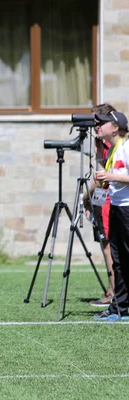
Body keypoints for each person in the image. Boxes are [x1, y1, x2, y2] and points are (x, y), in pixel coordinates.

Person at [92, 110, 129, 321]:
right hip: (116, 207)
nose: (98, 127)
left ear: (115, 128)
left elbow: (116, 176)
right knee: (119, 260)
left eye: (102, 123)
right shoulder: (113, 149)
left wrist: (111, 175)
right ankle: (119, 308)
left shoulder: (126, 146)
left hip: (127, 208)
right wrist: (100, 159)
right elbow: (107, 180)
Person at [84, 103, 117, 307]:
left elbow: (102, 178)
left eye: (97, 122)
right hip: (102, 200)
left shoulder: (113, 145)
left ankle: (114, 292)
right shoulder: (102, 144)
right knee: (106, 247)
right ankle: (113, 290)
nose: (94, 126)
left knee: (108, 248)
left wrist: (85, 196)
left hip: (109, 201)